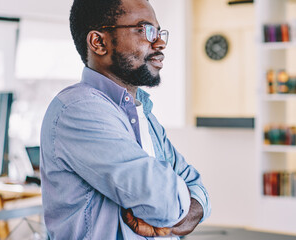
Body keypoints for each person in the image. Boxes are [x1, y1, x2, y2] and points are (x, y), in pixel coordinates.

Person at [40, 0, 211, 239]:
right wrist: (179, 208)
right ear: (99, 42)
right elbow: (165, 202)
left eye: (159, 32)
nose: (159, 42)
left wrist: (184, 211)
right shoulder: (79, 109)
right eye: (145, 30)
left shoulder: (143, 112)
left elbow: (196, 185)